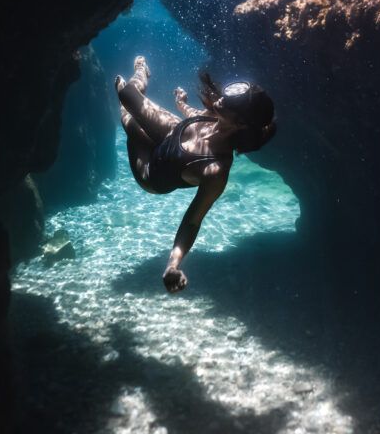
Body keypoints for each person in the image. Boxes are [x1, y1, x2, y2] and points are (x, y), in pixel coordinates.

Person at [115, 56, 276, 293]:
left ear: (241, 123)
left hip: (152, 170)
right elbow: (193, 113)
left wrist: (173, 265)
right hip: (174, 132)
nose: (221, 98)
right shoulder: (214, 115)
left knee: (127, 119)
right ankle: (142, 72)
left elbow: (192, 222)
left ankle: (130, 117)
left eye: (230, 102)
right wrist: (181, 104)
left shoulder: (216, 171)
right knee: (127, 94)